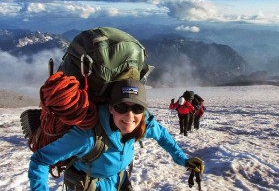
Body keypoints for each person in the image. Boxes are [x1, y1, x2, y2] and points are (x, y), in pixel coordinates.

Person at [28, 79, 204, 190]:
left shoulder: (141, 125)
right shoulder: (87, 137)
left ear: (144, 111)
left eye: (137, 108)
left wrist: (184, 160)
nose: (129, 116)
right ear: (111, 108)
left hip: (119, 180)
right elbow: (40, 160)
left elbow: (162, 136)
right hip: (89, 185)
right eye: (121, 107)